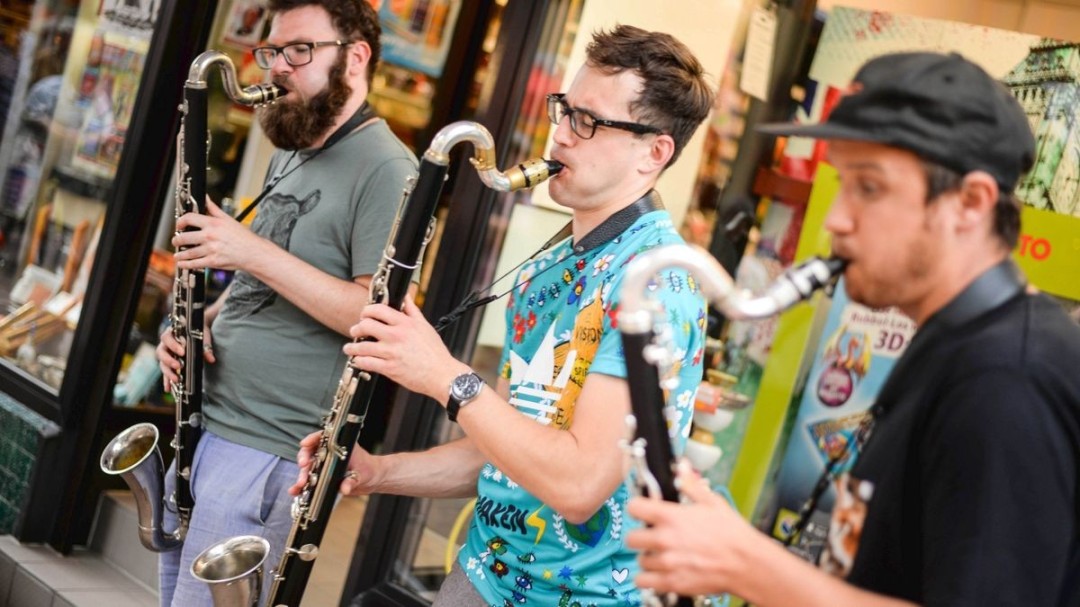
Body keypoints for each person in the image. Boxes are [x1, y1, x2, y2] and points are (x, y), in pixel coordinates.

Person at [625, 51, 1080, 607]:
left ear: (970, 202)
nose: (836, 218)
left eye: (868, 188)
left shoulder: (1009, 379)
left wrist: (748, 565)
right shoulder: (956, 343)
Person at [291, 24, 714, 606]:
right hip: (485, 574)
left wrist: (445, 377)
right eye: (563, 110)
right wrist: (376, 474)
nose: (559, 135)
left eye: (587, 122)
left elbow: (578, 483)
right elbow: (510, 448)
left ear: (654, 152)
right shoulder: (560, 260)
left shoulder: (657, 285)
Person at [154, 1, 416, 604]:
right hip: (211, 426)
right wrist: (197, 328)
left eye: (300, 51)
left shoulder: (389, 169)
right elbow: (262, 287)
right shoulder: (292, 149)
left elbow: (375, 318)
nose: (277, 67)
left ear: (355, 57)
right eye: (272, 51)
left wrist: (246, 250)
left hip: (269, 450)